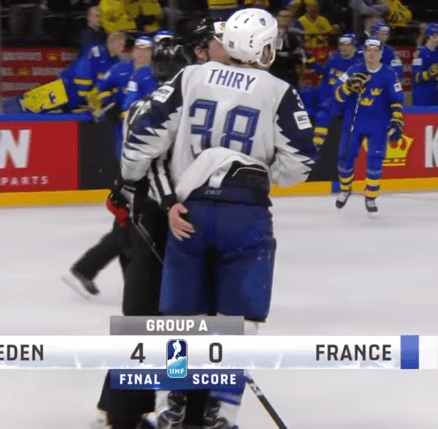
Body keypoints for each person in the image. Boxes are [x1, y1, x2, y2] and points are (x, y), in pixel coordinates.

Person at [121, 8, 319, 427]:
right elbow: (300, 162)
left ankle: (169, 408)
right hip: (244, 216)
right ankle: (224, 411)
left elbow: (142, 136)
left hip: (189, 212)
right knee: (236, 321)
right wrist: (268, 173)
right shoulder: (278, 91)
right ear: (261, 48)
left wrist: (135, 181)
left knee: (180, 317)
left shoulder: (190, 76)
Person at [91, 37, 196, 429]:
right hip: (155, 224)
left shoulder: (148, 108)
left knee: (144, 316)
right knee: (152, 319)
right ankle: (127, 412)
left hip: (140, 224)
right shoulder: (168, 114)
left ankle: (117, 406)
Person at [333, 37, 404, 213]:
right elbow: (337, 96)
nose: (372, 54)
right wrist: (349, 87)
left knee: (375, 160)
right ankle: (345, 189)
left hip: (379, 124)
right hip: (353, 122)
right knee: (344, 157)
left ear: (380, 53)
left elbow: (396, 101)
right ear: (363, 52)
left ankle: (371, 197)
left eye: (375, 51)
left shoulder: (389, 74)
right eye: (368, 50)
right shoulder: (353, 70)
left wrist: (396, 121)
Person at [312, 33, 359, 146]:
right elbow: (325, 76)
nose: (344, 48)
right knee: (305, 95)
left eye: (347, 45)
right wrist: (313, 63)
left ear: (354, 47)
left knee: (322, 115)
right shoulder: (333, 58)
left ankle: (317, 147)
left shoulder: (358, 64)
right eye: (342, 45)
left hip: (346, 100)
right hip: (327, 96)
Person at [411, 22, 438, 106]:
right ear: (432, 36)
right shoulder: (420, 54)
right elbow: (417, 77)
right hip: (424, 96)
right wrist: (430, 73)